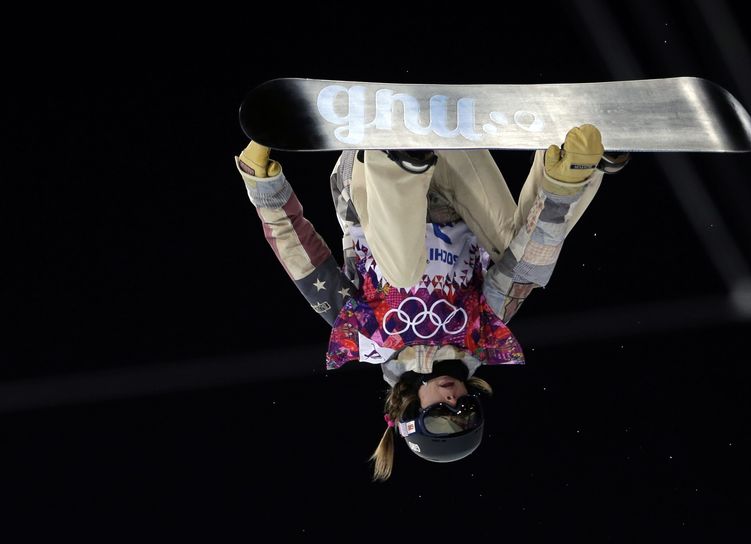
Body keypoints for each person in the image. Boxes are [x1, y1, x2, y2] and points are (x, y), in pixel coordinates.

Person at [234, 125, 627, 481]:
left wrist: (264, 188)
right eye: (467, 411)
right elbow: (522, 269)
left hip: (371, 180)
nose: (455, 401)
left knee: (402, 276)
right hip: (450, 177)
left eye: (441, 417)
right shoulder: (482, 333)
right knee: (521, 262)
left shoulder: (366, 338)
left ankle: (400, 161)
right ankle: (571, 169)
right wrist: (563, 193)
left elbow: (305, 260)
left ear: (409, 414)